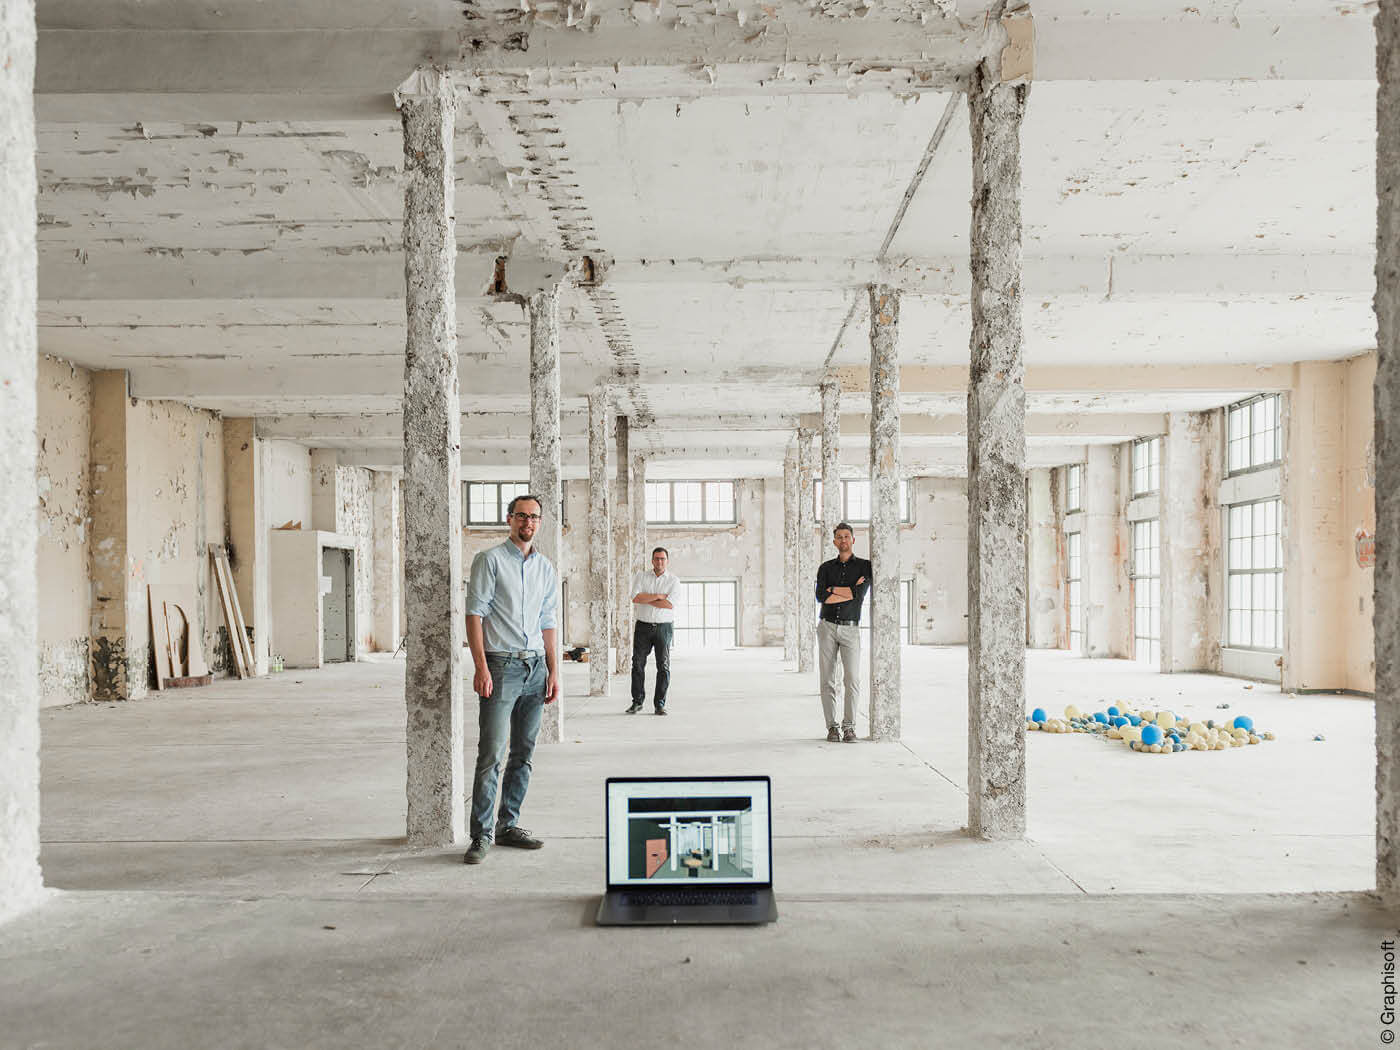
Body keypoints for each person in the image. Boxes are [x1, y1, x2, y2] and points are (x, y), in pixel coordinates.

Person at [462, 494, 560, 865]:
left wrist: (553, 671)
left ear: (540, 522)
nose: (528, 523)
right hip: (501, 667)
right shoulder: (489, 561)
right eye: (521, 516)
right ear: (509, 519)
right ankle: (481, 834)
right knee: (491, 754)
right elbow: (474, 615)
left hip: (536, 669)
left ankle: (508, 825)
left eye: (534, 517)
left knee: (524, 754)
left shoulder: (546, 569)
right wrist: (481, 666)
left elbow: (548, 622)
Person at [814, 522, 872, 743]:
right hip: (827, 626)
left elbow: (858, 595)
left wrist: (833, 590)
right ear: (834, 541)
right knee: (827, 680)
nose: (843, 540)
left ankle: (849, 727)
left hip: (850, 629)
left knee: (853, 680)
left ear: (853, 540)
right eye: (839, 537)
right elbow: (821, 597)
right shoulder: (825, 568)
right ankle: (832, 727)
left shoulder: (865, 567)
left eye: (847, 536)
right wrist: (846, 591)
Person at [627, 546, 678, 715]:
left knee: (663, 666)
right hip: (643, 626)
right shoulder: (641, 576)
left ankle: (659, 704)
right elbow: (635, 598)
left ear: (667, 561)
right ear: (652, 560)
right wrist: (659, 596)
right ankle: (637, 701)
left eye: (662, 559)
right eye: (656, 558)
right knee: (637, 664)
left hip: (664, 627)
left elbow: (669, 604)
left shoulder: (673, 580)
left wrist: (647, 597)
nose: (659, 562)